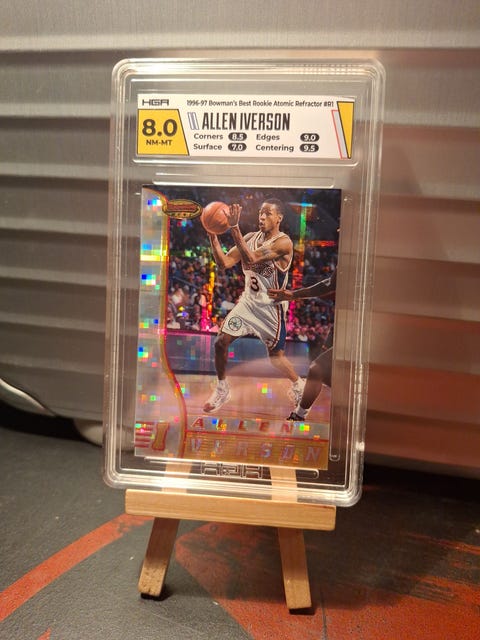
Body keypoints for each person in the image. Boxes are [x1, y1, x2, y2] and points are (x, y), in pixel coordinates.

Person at [203, 198, 305, 413]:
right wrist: (212, 234)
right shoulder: (249, 238)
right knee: (220, 342)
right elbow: (223, 263)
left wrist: (234, 227)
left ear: (279, 218)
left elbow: (250, 257)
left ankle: (298, 384)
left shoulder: (283, 243)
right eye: (260, 213)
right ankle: (222, 388)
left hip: (270, 309)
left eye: (268, 213)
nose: (262, 217)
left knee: (276, 358)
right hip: (248, 303)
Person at [268, 270, 336, 421]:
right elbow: (329, 285)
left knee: (318, 370)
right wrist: (293, 294)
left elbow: (329, 288)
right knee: (317, 371)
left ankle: (299, 414)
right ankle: (299, 415)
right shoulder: (346, 268)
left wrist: (293, 294)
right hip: (344, 328)